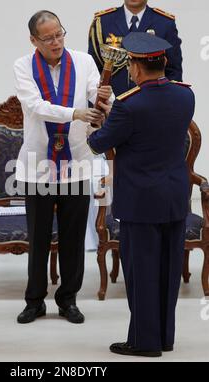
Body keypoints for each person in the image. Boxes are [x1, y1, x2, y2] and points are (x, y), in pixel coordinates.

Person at [87, 32, 195, 357]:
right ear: (163, 62)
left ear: (135, 67)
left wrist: (99, 125)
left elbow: (98, 144)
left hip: (140, 202)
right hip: (175, 197)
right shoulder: (184, 97)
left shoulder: (129, 105)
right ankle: (164, 337)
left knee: (142, 273)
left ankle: (144, 343)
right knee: (168, 272)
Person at [14, 10, 111, 324]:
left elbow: (96, 97)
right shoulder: (23, 66)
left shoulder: (83, 61)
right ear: (34, 40)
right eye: (48, 38)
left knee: (72, 237)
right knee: (38, 237)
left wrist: (104, 100)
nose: (56, 42)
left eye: (59, 34)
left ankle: (68, 299)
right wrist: (76, 114)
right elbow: (35, 107)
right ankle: (34, 301)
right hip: (38, 166)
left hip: (78, 163)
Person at [88, 0, 183, 96]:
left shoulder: (164, 23)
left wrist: (169, 100)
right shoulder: (104, 21)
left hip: (153, 100)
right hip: (112, 101)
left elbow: (173, 70)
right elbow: (94, 69)